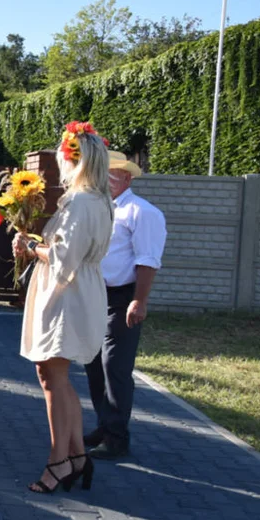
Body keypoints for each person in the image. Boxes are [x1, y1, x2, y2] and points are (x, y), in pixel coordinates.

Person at [13, 121, 113, 493]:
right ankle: (75, 458)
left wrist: (28, 248)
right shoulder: (96, 199)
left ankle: (59, 462)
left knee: (53, 376)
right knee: (53, 374)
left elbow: (62, 258)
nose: (58, 167)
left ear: (76, 160)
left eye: (61, 159)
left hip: (68, 295)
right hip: (76, 292)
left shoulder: (82, 202)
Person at [84, 151, 166, 459]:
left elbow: (147, 261)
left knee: (114, 367)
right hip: (96, 295)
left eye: (111, 174)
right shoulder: (101, 209)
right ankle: (105, 426)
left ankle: (117, 438)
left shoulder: (142, 212)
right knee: (92, 364)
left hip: (123, 298)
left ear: (127, 177)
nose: (104, 179)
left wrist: (139, 301)